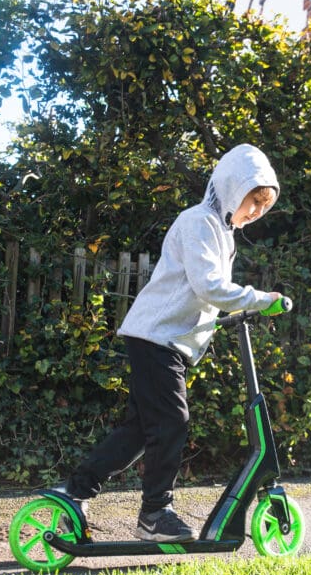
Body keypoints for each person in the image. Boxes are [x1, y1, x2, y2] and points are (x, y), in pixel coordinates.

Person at [58, 144, 283, 543]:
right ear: (232, 188)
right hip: (155, 338)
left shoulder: (221, 232)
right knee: (172, 423)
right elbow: (208, 285)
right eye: (253, 202)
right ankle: (155, 513)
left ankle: (74, 492)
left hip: (165, 341)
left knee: (139, 432)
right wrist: (258, 299)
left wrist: (228, 314)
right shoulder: (197, 222)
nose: (256, 213)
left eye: (264, 208)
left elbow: (201, 293)